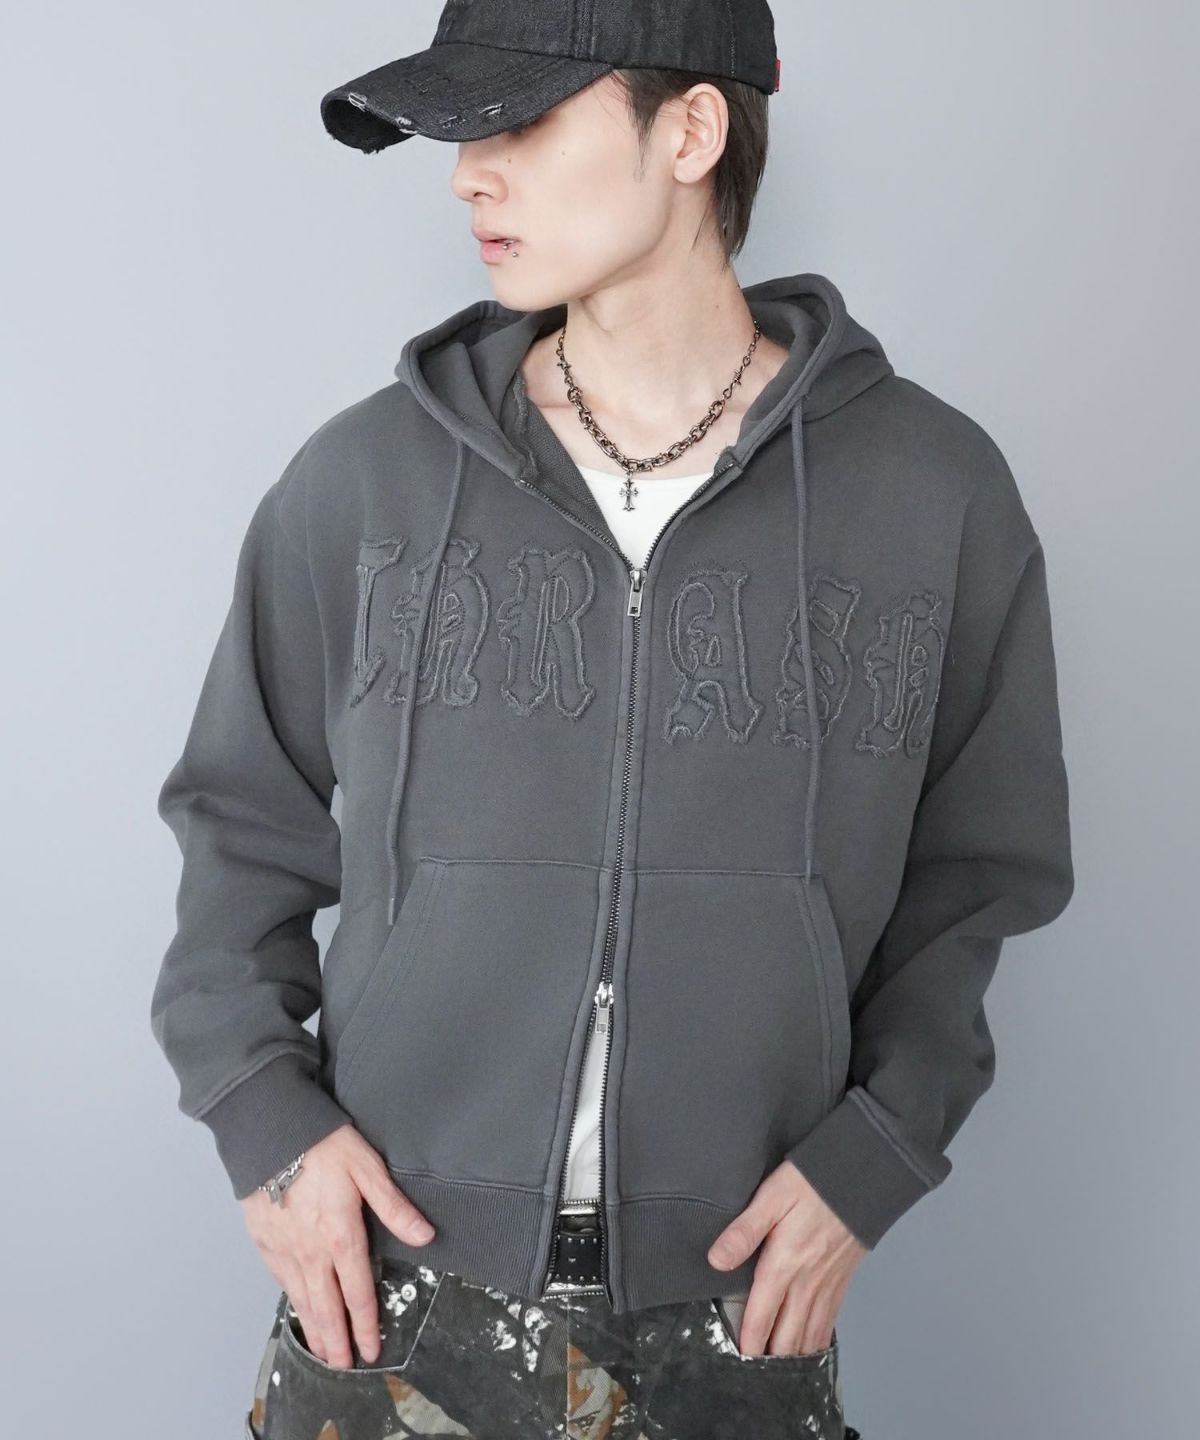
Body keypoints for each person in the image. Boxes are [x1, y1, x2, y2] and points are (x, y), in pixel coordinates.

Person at [150, 2, 1074, 1436]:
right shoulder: (366, 483)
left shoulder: (933, 496)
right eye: (461, 133)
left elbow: (979, 880)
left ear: (690, 130)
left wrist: (876, 1157)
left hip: (737, 1313)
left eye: (521, 122)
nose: (469, 172)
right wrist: (266, 1125)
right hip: (392, 1303)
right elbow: (235, 823)